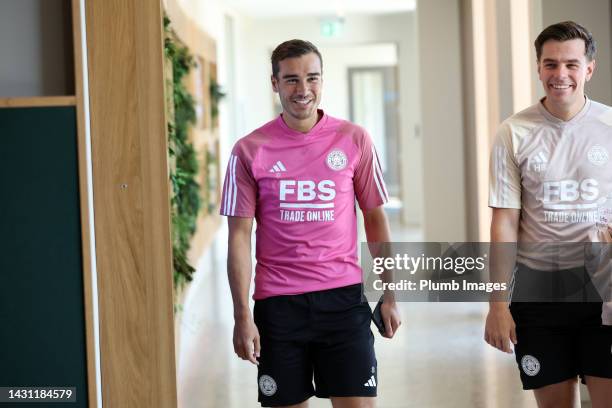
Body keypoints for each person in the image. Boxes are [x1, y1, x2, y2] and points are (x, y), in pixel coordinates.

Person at [220, 39, 401, 408]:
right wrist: (241, 316)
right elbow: (239, 237)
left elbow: (375, 220)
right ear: (274, 83)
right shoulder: (248, 150)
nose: (303, 90)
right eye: (291, 80)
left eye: (312, 78)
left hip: (344, 302)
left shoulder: (354, 139)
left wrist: (390, 295)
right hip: (278, 306)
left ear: (322, 80)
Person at [485, 21, 612, 407]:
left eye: (572, 65)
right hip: (539, 292)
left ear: (589, 68)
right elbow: (504, 221)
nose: (561, 75)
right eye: (551, 64)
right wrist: (497, 305)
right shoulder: (514, 132)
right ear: (539, 68)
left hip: (604, 288)